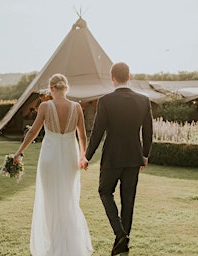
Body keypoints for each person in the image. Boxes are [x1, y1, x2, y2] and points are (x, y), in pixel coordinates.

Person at [13, 74, 93, 256]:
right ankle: (70, 246)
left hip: (50, 157)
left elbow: (33, 131)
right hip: (70, 158)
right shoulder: (77, 108)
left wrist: (20, 152)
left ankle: (54, 246)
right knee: (68, 200)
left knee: (50, 201)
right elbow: (82, 136)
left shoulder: (45, 106)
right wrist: (83, 156)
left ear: (52, 89)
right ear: (66, 88)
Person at [82, 62, 153, 256]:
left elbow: (97, 132)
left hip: (112, 157)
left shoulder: (105, 101)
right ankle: (123, 240)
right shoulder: (143, 100)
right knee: (128, 200)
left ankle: (120, 234)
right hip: (133, 157)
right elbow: (148, 132)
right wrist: (145, 155)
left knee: (105, 192)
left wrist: (87, 156)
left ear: (112, 78)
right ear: (129, 77)